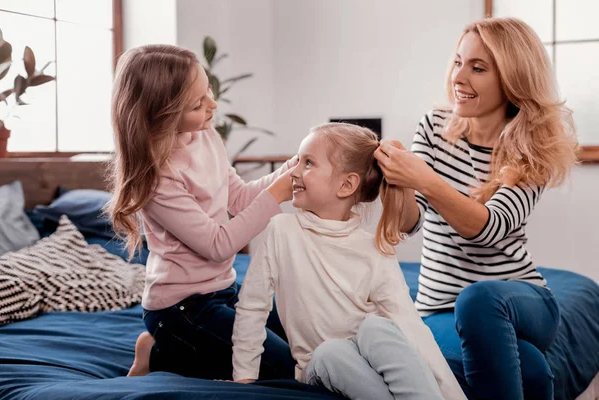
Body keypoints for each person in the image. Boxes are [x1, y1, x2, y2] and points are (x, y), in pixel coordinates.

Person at [374, 17, 578, 400]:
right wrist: (396, 181)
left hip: (522, 301)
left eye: (478, 68)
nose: (459, 76)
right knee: (532, 370)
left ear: (512, 81)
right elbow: (409, 221)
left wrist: (424, 179)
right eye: (457, 62)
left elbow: (487, 227)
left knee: (479, 298)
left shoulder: (532, 148)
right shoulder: (434, 128)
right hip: (438, 309)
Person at [231, 123, 466, 400]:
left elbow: (409, 324)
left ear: (346, 185)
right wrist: (244, 380)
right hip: (321, 364)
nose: (292, 171)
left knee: (377, 327)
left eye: (308, 163)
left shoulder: (374, 249)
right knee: (332, 351)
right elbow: (252, 308)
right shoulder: (281, 231)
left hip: (372, 362)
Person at [105, 44, 297, 380]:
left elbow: (237, 198)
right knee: (283, 368)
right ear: (160, 115)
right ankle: (163, 351)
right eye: (197, 103)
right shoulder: (156, 178)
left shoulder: (206, 136)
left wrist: (287, 173)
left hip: (224, 289)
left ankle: (170, 347)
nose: (213, 104)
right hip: (181, 308)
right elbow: (218, 245)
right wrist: (275, 196)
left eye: (207, 90)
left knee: (302, 343)